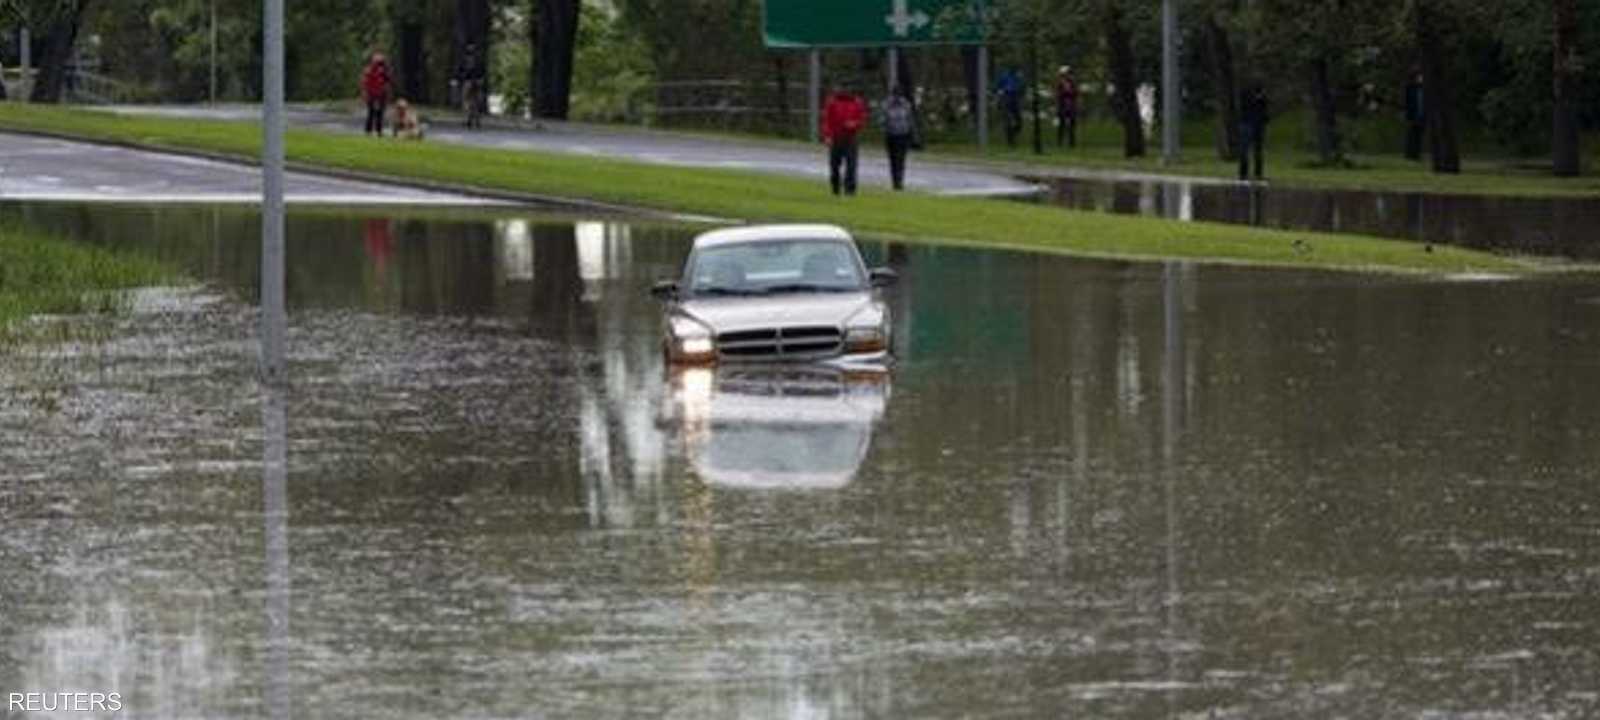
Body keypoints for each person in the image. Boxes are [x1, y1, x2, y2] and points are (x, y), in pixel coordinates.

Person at [821, 83, 868, 196]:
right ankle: (835, 186)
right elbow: (826, 120)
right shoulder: (832, 102)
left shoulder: (857, 102)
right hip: (836, 137)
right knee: (834, 165)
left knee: (851, 165)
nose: (844, 91)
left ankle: (850, 190)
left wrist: (854, 124)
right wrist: (827, 136)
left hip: (851, 138)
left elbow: (862, 119)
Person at [883, 85, 917, 191]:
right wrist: (886, 126)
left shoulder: (906, 105)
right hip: (891, 135)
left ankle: (899, 181)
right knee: (893, 159)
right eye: (895, 94)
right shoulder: (886, 104)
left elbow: (910, 120)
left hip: (903, 135)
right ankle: (895, 181)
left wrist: (913, 133)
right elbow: (882, 119)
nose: (897, 97)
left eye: (898, 95)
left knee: (901, 159)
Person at [1238, 84, 1268, 181]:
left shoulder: (1262, 101)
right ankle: (1243, 173)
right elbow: (1245, 107)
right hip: (1247, 124)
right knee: (1245, 150)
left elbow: (1264, 112)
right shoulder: (1246, 97)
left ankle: (1257, 173)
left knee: (1257, 150)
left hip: (1257, 125)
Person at [455, 42, 487, 129]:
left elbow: (460, 71)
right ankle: (476, 119)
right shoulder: (479, 59)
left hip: (468, 81)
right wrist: (481, 79)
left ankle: (469, 118)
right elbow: (483, 70)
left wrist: (458, 79)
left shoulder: (465, 60)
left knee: (466, 100)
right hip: (477, 81)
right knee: (476, 102)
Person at [361, 51, 391, 136]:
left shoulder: (384, 71)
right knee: (371, 112)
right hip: (372, 93)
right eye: (378, 62)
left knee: (380, 113)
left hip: (381, 93)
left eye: (380, 62)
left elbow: (387, 81)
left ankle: (379, 130)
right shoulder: (369, 70)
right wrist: (365, 93)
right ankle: (369, 130)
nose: (379, 64)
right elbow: (365, 82)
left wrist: (387, 92)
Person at [995, 68, 1024, 147]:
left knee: (1019, 121)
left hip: (1015, 98)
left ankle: (1013, 134)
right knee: (1007, 120)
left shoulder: (1018, 78)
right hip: (1006, 97)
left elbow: (1021, 89)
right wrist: (999, 99)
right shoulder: (1004, 76)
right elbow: (997, 87)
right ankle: (1010, 141)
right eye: (1018, 72)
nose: (1020, 73)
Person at [1404, 67, 1425, 162]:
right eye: (1419, 76)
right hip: (1413, 114)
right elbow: (1407, 102)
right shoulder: (1410, 88)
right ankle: (1410, 154)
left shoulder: (1423, 88)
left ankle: (1416, 154)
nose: (1421, 78)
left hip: (1421, 114)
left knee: (1419, 135)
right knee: (1412, 134)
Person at [1055, 65, 1078, 148]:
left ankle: (1072, 143)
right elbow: (1058, 95)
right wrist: (1065, 92)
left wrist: (1070, 92)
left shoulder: (1072, 82)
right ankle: (1059, 142)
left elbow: (1075, 93)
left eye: (1069, 73)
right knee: (1062, 125)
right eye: (1066, 74)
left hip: (1071, 106)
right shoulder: (1060, 83)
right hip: (1062, 106)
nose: (1068, 75)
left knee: (1072, 125)